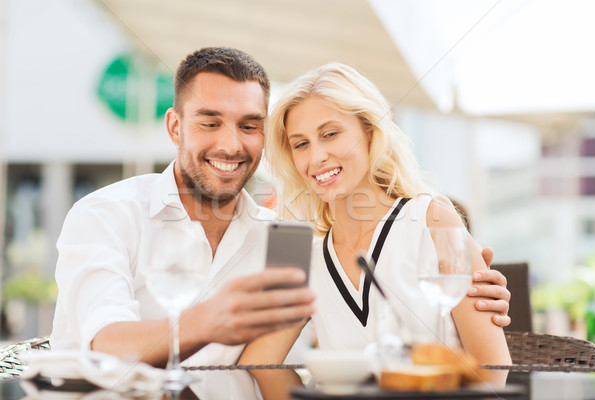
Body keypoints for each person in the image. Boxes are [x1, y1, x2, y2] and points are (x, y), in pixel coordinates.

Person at [51, 48, 509, 371]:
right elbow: (105, 343)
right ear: (175, 126)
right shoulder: (106, 215)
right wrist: (208, 321)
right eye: (210, 122)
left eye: (249, 126)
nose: (230, 143)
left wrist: (475, 288)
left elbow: (488, 360)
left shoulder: (285, 239)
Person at [239, 62, 511, 395]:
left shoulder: (432, 219)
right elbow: (260, 361)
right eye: (301, 144)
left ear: (370, 132)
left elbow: (492, 372)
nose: (317, 156)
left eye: (330, 134)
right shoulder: (306, 258)